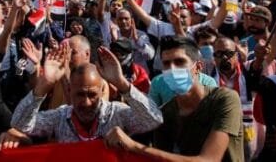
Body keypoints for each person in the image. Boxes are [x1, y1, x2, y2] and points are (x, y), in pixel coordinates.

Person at [104, 35, 243, 161]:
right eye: (166, 64)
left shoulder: (224, 99)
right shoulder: (166, 114)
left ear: (198, 67)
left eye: (179, 62)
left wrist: (134, 146)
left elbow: (209, 160)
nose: (172, 69)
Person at [9, 44, 162, 142]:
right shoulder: (59, 118)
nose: (86, 103)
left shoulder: (117, 114)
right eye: (80, 94)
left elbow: (153, 119)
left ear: (102, 91)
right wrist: (44, 84)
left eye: (92, 95)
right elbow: (19, 124)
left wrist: (122, 84)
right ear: (70, 91)